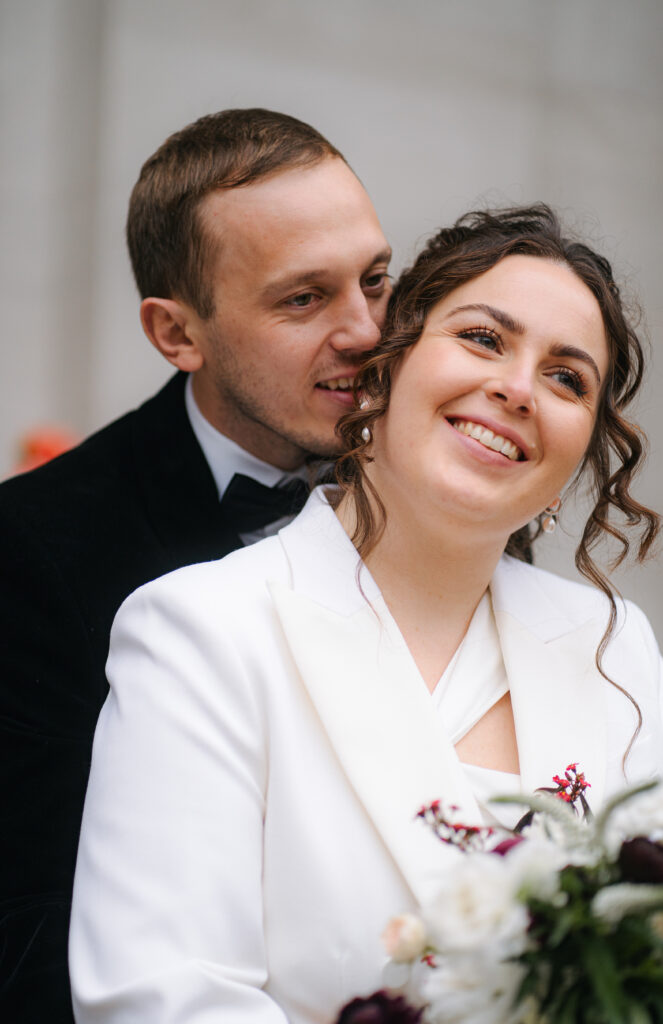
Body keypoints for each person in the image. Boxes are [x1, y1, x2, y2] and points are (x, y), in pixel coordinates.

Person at [69, 205, 662, 1023]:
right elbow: (167, 998)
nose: (516, 389)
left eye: (567, 378)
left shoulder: (611, 645)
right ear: (381, 372)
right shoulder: (203, 628)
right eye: (484, 338)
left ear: (574, 459)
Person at [0, 108, 392, 1021]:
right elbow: (22, 919)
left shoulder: (441, 488)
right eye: (304, 299)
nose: (368, 331)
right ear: (178, 335)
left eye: (375, 280)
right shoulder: (31, 551)